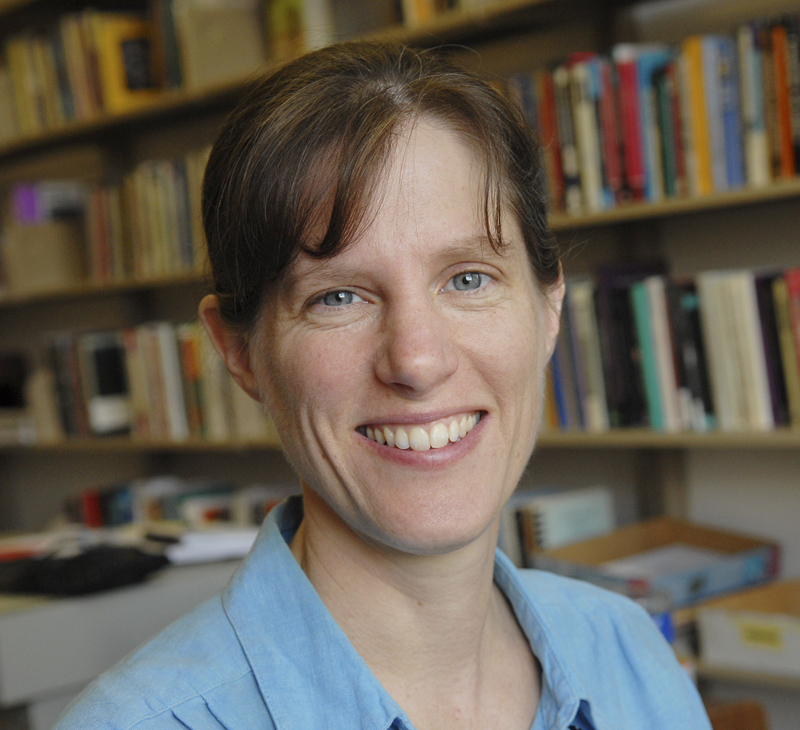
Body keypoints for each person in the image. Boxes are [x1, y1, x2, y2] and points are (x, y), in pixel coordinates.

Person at [55, 42, 711, 730]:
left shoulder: (628, 652)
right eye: (338, 296)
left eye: (468, 279)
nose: (417, 360)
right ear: (240, 352)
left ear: (548, 307)